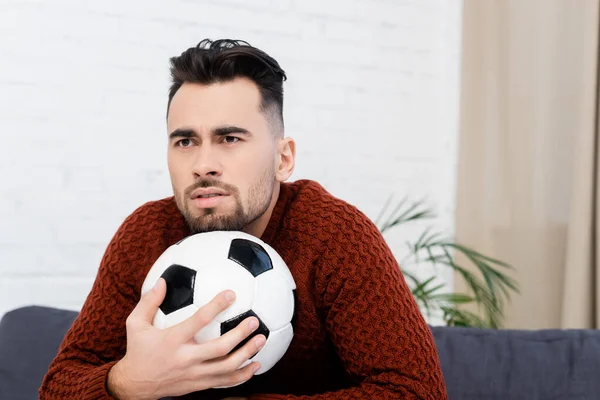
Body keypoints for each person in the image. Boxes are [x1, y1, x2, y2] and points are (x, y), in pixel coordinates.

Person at [39, 38, 448, 400]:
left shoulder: (335, 235)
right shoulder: (144, 235)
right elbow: (59, 384)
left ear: (283, 158)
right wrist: (128, 383)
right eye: (185, 141)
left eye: (230, 138)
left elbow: (416, 391)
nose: (203, 164)